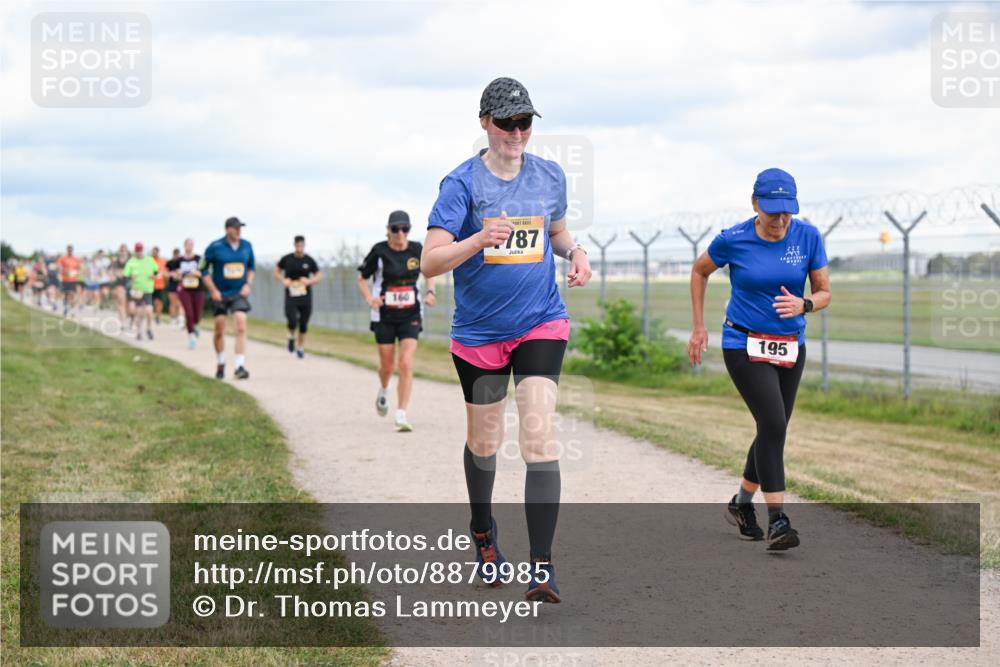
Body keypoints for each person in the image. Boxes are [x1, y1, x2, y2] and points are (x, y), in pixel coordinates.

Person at [421, 77, 592, 603]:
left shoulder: (549, 176)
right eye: (507, 123)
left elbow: (555, 232)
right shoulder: (461, 185)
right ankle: (483, 533)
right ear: (484, 123)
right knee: (486, 442)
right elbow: (430, 261)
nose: (518, 132)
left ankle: (542, 568)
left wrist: (576, 253)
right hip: (479, 333)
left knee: (538, 435)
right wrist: (478, 238)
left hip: (540, 320)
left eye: (525, 122)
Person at [687, 167, 831, 551]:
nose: (780, 220)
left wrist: (804, 304)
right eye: (772, 212)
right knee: (772, 421)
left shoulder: (808, 236)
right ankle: (778, 520)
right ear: (755, 204)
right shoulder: (733, 239)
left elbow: (823, 293)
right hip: (743, 343)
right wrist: (699, 327)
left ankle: (741, 504)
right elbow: (700, 272)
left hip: (789, 345)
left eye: (787, 212)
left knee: (774, 428)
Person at [357, 211, 436, 432]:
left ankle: (401, 414)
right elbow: (361, 277)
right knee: (387, 366)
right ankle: (384, 389)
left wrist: (431, 292)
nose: (400, 234)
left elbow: (430, 270)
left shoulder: (416, 250)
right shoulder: (379, 251)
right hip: (384, 315)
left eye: (405, 229)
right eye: (395, 229)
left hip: (410, 313)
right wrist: (369, 298)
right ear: (388, 230)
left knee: (406, 362)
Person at [202, 217, 255, 380]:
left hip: (238, 293)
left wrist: (248, 284)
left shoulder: (247, 246)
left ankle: (239, 366)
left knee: (240, 325)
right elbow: (202, 269)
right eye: (235, 228)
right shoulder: (214, 247)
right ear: (227, 229)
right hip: (220, 294)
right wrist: (213, 290)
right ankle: (220, 361)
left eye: (240, 228)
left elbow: (251, 268)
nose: (239, 230)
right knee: (220, 329)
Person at [275, 235, 322, 359]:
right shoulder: (287, 259)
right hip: (291, 295)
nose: (300, 247)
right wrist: (283, 280)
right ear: (294, 245)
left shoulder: (309, 260)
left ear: (304, 245)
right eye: (297, 245)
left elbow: (318, 276)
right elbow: (277, 271)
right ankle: (291, 337)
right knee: (291, 319)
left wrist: (309, 281)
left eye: (302, 245)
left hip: (305, 296)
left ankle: (300, 347)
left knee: (303, 323)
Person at [122, 242, 159, 341]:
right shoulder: (131, 262)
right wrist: (131, 277)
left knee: (149, 311)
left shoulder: (150, 260)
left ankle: (149, 328)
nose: (139, 252)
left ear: (143, 250)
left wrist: (154, 276)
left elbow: (156, 271)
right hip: (137, 290)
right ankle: (138, 332)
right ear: (135, 251)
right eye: (137, 251)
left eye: (140, 250)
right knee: (139, 312)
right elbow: (125, 275)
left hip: (148, 289)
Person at [174, 238, 204, 349]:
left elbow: (204, 273)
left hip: (198, 289)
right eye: (188, 244)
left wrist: (197, 273)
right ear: (184, 245)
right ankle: (191, 337)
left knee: (197, 313)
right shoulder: (179, 260)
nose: (189, 246)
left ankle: (196, 325)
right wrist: (178, 274)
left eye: (191, 244)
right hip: (185, 289)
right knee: (189, 313)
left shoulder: (198, 259)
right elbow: (175, 275)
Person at [56, 244, 83, 317]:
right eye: (69, 250)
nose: (70, 251)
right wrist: (64, 271)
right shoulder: (63, 258)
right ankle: (66, 307)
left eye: (71, 250)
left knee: (73, 294)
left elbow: (80, 269)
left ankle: (71, 309)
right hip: (65, 279)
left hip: (73, 280)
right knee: (66, 294)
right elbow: (59, 267)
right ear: (67, 250)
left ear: (72, 250)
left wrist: (76, 273)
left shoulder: (76, 259)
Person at [110, 244, 130, 326]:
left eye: (124, 250)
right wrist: (116, 274)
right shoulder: (116, 261)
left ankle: (127, 317)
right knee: (121, 301)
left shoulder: (130, 261)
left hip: (129, 283)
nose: (123, 252)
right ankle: (123, 322)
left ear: (127, 251)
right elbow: (113, 272)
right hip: (119, 283)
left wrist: (124, 273)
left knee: (128, 304)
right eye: (121, 250)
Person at [165, 247, 183, 327]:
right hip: (172, 284)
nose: (176, 256)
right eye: (175, 254)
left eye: (177, 254)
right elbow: (165, 274)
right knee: (172, 303)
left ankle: (180, 319)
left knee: (180, 303)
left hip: (180, 284)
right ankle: (173, 319)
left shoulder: (182, 262)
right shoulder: (169, 262)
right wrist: (171, 274)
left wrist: (179, 275)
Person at [150, 246, 168, 324]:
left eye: (155, 252)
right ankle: (149, 316)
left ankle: (157, 317)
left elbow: (165, 271)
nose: (154, 253)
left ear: (158, 252)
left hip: (159, 285)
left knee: (159, 302)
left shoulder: (162, 261)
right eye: (153, 252)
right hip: (149, 285)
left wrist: (163, 275)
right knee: (150, 303)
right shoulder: (149, 260)